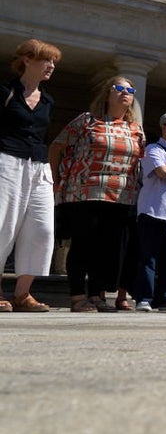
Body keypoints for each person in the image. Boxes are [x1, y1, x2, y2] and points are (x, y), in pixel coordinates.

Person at [50, 76, 145, 312]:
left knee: (106, 248)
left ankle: (95, 295)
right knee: (83, 244)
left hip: (122, 196)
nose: (125, 92)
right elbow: (56, 146)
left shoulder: (135, 128)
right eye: (119, 88)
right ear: (107, 93)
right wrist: (54, 179)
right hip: (85, 191)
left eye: (130, 89)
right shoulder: (87, 120)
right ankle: (77, 296)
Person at [0, 39, 60, 313]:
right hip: (6, 160)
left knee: (42, 229)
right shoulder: (5, 92)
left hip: (39, 166)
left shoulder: (48, 100)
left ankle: (23, 293)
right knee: (3, 227)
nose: (51, 66)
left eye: (54, 62)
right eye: (45, 60)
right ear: (26, 60)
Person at [130, 112, 166, 311]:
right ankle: (144, 297)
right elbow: (163, 173)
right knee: (148, 257)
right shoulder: (153, 149)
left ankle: (165, 297)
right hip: (153, 210)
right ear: (164, 127)